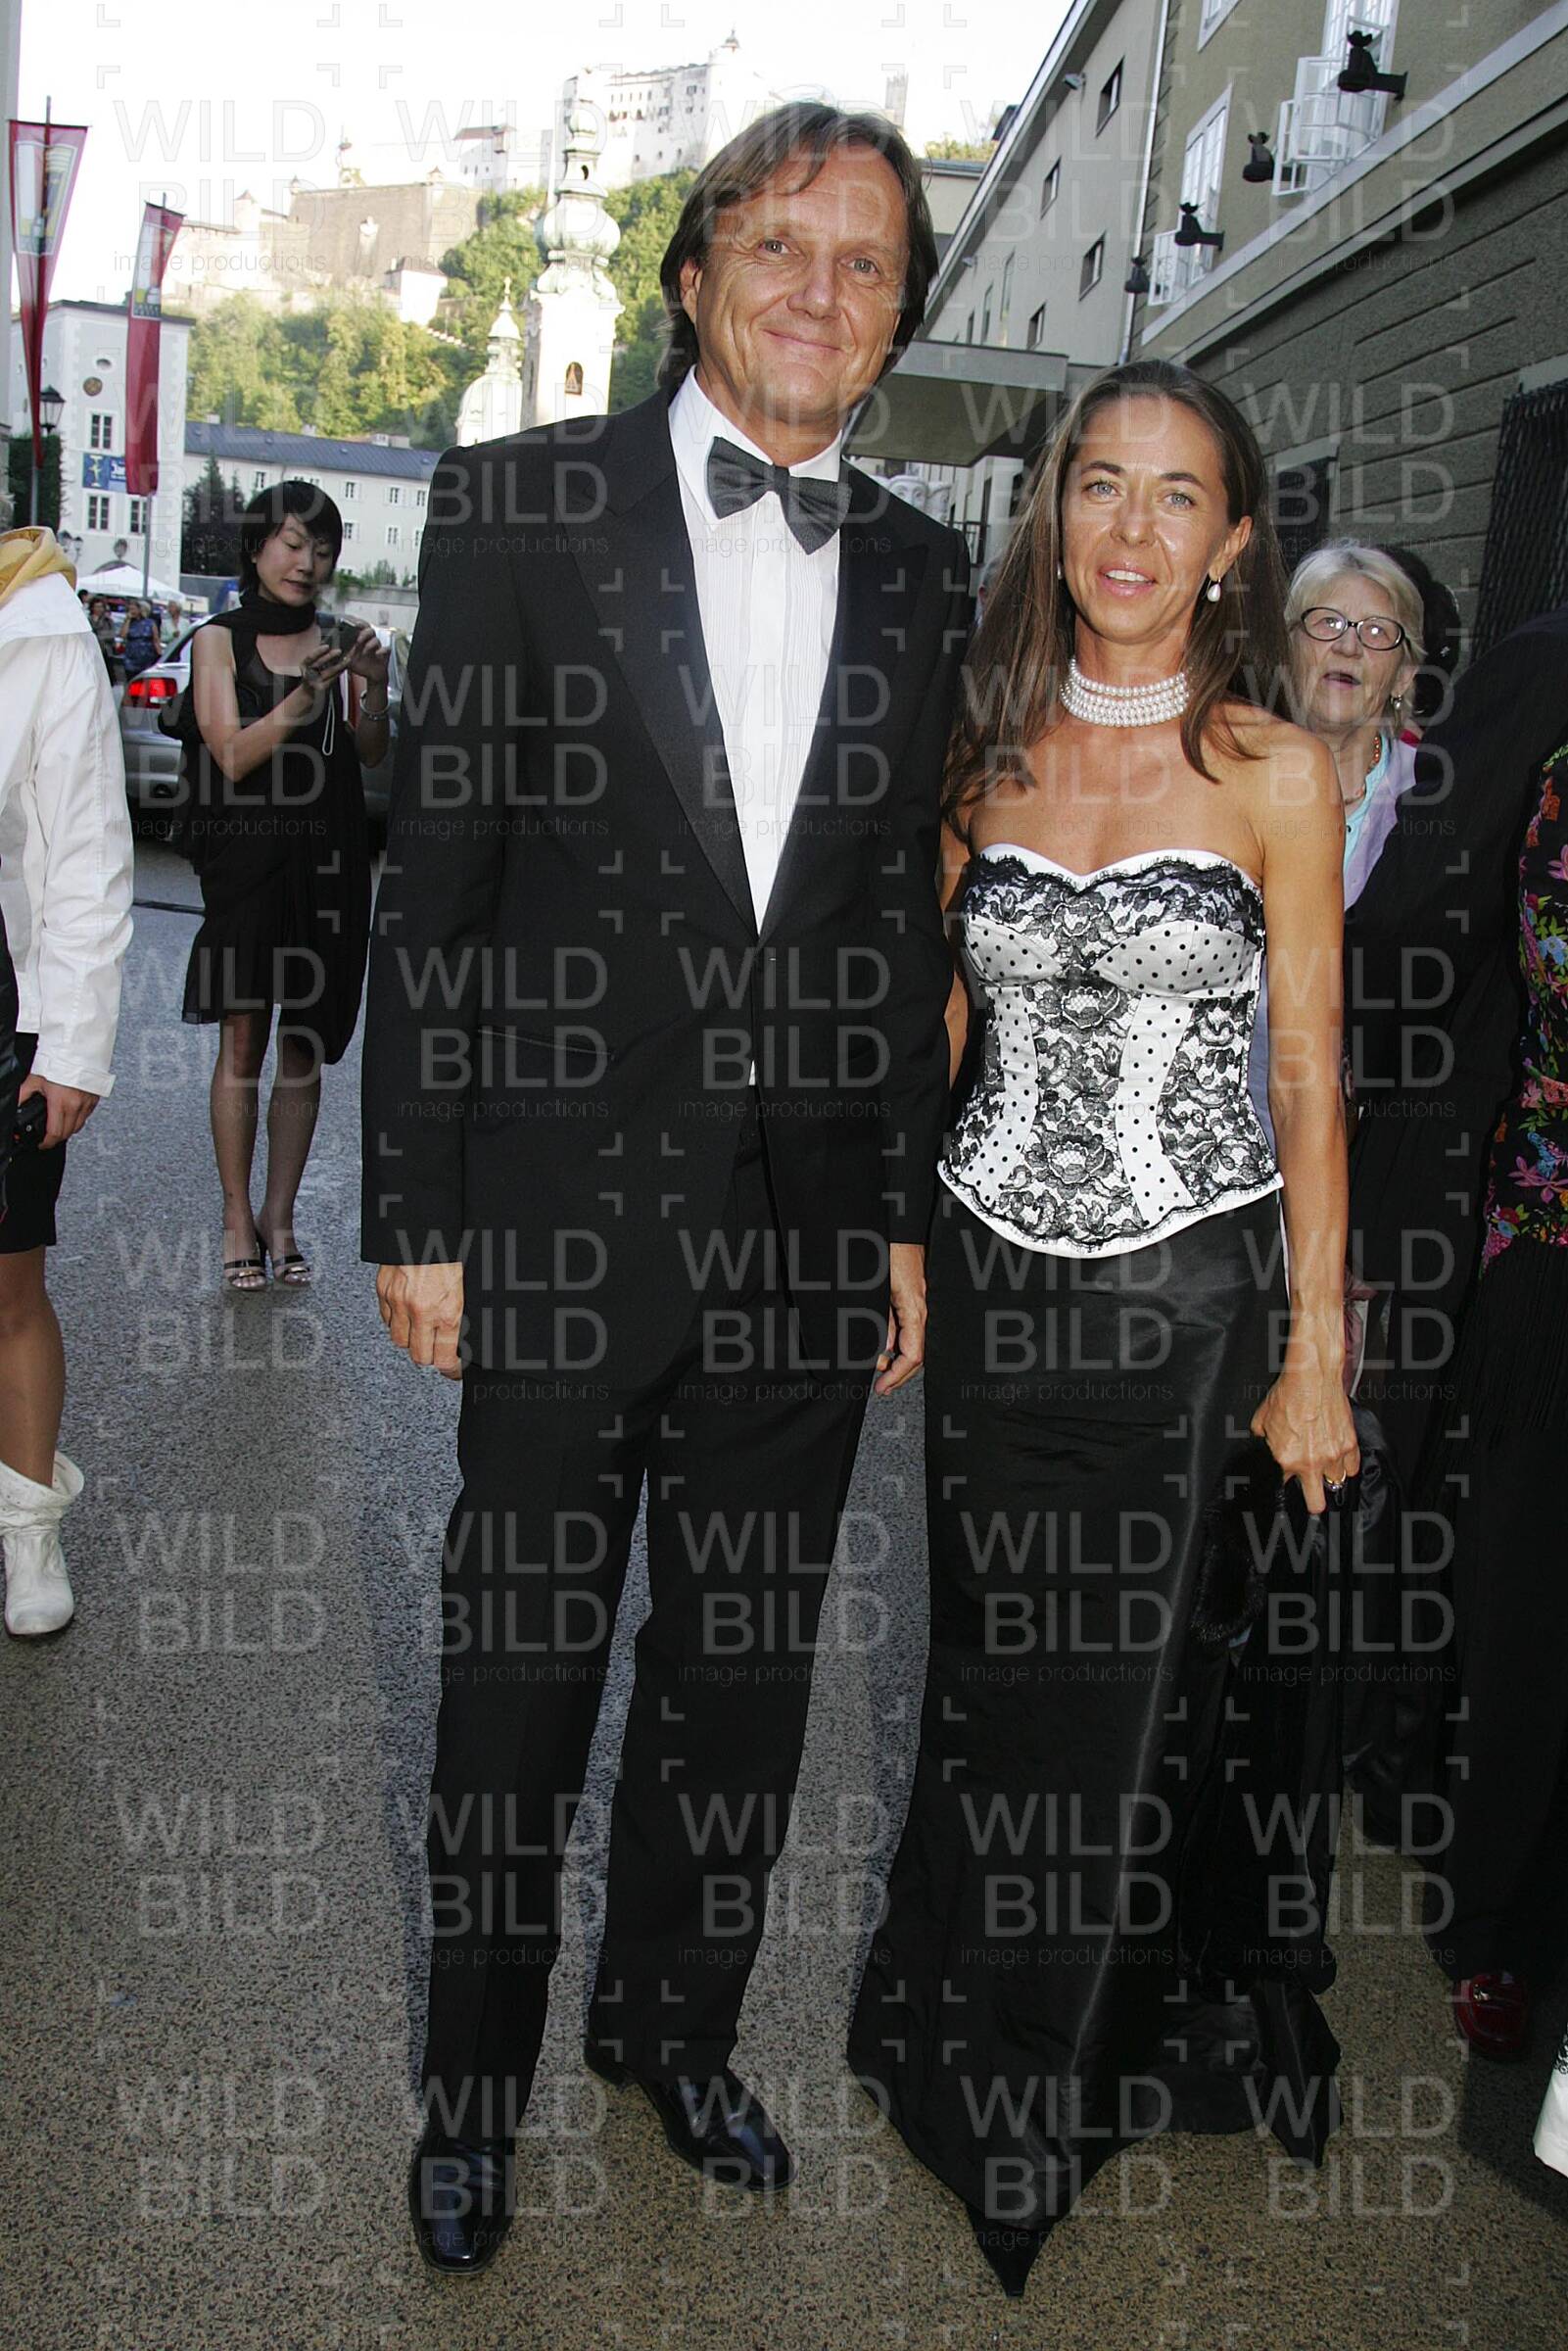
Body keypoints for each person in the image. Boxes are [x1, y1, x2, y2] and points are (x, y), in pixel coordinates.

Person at [361, 101, 970, 2276]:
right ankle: (470, 2101)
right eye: (780, 245)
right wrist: (414, 1213)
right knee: (515, 1684)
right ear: (693, 271)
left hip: (803, 1243)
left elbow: (885, 923)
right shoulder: (520, 506)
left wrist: (894, 1214)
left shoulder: (918, 569)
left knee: (740, 1685)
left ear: (897, 320)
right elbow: (434, 880)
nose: (820, 290)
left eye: (865, 262)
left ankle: (668, 2035)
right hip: (552, 1214)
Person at [848, 360, 1357, 2297]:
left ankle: (1039, 2103)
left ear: (1229, 543)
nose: (1130, 529)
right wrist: (900, 1241)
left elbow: (1305, 1072)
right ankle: (941, 2026)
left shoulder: (1275, 772)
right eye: (1099, 486)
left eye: (1175, 497)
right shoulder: (980, 746)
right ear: (1053, 514)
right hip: (995, 1288)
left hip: (1184, 1310)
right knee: (987, 1682)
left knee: (1126, 1707)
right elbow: (944, 1016)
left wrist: (1316, 1349)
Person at [182, 479, 382, 1288]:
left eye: (322, 549)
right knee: (244, 1038)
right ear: (258, 546)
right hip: (249, 863)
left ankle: (280, 1215)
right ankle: (237, 1216)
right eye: (294, 544)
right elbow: (230, 754)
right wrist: (305, 697)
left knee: (305, 1045)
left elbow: (372, 750)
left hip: (329, 860)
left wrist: (375, 686)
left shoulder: (343, 639)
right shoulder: (216, 641)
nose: (307, 563)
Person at [0, 525, 134, 1636]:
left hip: (5, 1006)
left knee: (9, 1287)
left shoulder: (38, 621)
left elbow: (85, 848)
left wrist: (72, 1047)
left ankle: (29, 1532)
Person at [121, 598, 161, 678]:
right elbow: (123, 635)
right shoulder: (129, 623)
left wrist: (160, 654)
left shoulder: (150, 623)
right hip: (131, 655)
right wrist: (128, 620)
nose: (131, 612)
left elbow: (156, 640)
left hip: (147, 655)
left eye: (133, 609)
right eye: (130, 610)